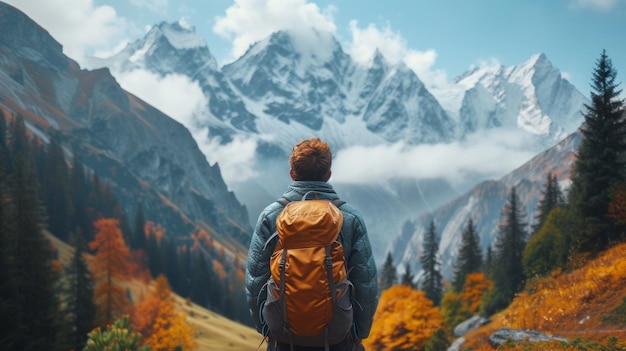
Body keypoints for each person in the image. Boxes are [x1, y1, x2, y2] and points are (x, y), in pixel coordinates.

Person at [246, 137, 379, 351]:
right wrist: (358, 334)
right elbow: (366, 283)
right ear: (328, 174)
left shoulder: (271, 216)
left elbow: (255, 282)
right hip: (338, 337)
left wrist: (267, 328)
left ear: (292, 173)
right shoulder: (350, 218)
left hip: (284, 336)